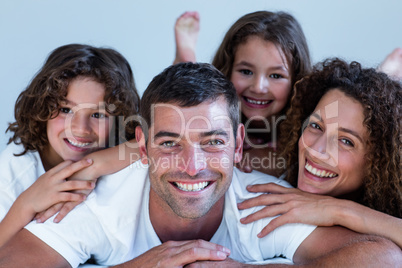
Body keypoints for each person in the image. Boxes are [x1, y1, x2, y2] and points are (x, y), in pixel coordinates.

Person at [0, 62, 400, 267]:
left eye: (213, 143)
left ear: (239, 145)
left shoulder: (264, 201)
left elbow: (384, 259)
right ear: (141, 147)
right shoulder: (95, 200)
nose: (192, 167)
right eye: (170, 142)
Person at [237, 58, 402, 248]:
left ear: (379, 162)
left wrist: (338, 210)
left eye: (346, 141)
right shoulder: (272, 163)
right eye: (316, 126)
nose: (316, 151)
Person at [0, 43, 140, 247]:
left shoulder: (118, 146)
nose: (80, 129)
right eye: (66, 110)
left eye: (97, 115)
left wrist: (95, 165)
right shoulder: (16, 166)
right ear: (42, 108)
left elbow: (163, 140)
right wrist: (26, 204)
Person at [174, 11, 312, 177]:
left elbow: (289, 164)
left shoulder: (304, 128)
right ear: (227, 70)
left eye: (275, 76)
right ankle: (186, 65)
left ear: (296, 80)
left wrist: (253, 158)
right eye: (246, 71)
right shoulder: (217, 114)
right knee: (190, 104)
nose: (258, 87)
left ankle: (187, 65)